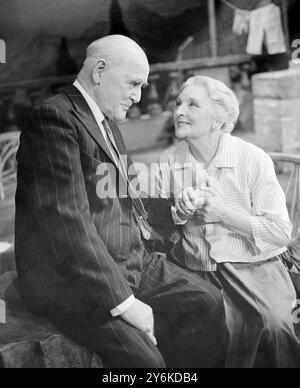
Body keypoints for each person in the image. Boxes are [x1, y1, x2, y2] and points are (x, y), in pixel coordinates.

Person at [15, 36, 228, 368]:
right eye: (133, 83)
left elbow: (126, 195)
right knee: (147, 364)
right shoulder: (53, 119)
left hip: (129, 258)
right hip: (76, 281)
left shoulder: (105, 121)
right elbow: (68, 222)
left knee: (209, 303)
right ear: (100, 70)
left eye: (142, 86)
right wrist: (125, 303)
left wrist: (175, 207)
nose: (139, 96)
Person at [157, 75, 300, 368]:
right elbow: (158, 230)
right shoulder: (167, 162)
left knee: (272, 326)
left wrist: (222, 215)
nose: (180, 111)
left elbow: (280, 232)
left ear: (219, 120)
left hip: (257, 266)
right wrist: (179, 214)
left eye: (193, 104)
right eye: (179, 103)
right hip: (196, 270)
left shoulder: (252, 159)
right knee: (196, 335)